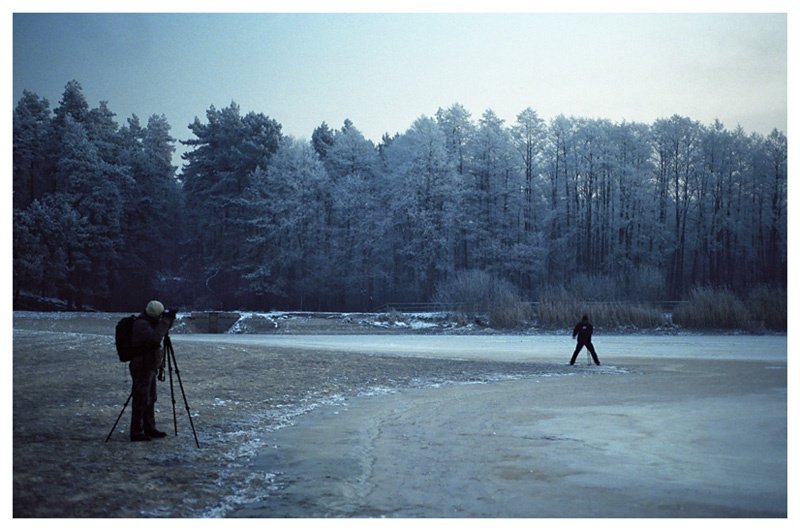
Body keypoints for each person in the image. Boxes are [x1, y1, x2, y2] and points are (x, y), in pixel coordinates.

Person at [129, 300, 175, 441]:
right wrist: (166, 321)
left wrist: (168, 320)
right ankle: (136, 431)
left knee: (150, 398)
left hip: (149, 366)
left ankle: (150, 428)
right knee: (141, 398)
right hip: (141, 365)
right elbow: (155, 339)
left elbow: (160, 333)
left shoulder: (150, 322)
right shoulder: (142, 324)